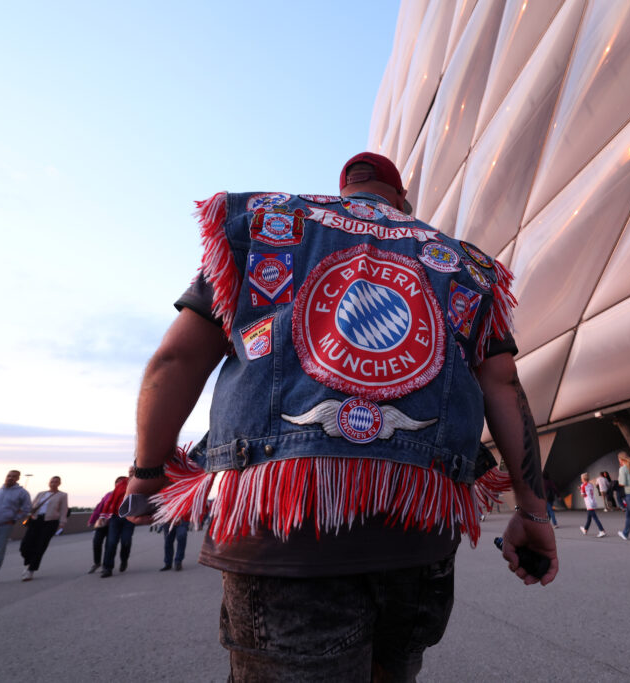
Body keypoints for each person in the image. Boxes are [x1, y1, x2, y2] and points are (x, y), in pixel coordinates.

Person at [123, 152, 557, 679]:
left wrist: (147, 475)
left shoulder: (265, 227)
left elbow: (178, 358)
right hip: (418, 534)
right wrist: (533, 511)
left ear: (344, 191)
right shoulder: (466, 263)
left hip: (283, 530)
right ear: (403, 201)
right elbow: (503, 384)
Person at [19, 476, 69, 581]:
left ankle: (31, 570)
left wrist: (62, 524)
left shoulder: (62, 495)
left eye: (56, 482)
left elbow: (64, 510)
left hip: (50, 522)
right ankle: (29, 562)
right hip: (35, 520)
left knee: (40, 546)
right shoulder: (41, 494)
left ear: (59, 483)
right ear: (48, 482)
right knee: (25, 546)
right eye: (52, 481)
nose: (53, 483)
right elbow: (31, 507)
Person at [86, 478, 124, 573]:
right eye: (117, 483)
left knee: (110, 545)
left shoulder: (126, 495)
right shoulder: (108, 494)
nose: (119, 485)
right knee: (96, 542)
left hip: (115, 522)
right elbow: (99, 507)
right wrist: (92, 520)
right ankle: (97, 562)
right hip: (103, 522)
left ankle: (106, 565)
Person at [98, 475, 133, 578]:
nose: (131, 472)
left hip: (129, 518)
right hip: (115, 517)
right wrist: (103, 515)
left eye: (133, 471)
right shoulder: (121, 484)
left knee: (126, 541)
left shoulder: (141, 484)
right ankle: (107, 568)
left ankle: (124, 559)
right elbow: (111, 500)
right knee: (111, 542)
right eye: (130, 471)